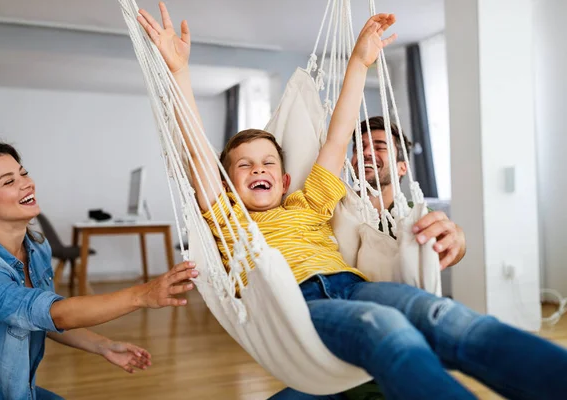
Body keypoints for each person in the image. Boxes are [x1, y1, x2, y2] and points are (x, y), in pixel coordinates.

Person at [138, 3, 567, 399]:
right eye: (244, 166)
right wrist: (178, 74)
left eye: (268, 163)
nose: (258, 170)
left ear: (285, 180)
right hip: (295, 308)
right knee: (384, 331)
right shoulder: (228, 220)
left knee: (443, 316)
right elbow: (195, 152)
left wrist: (359, 63)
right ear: (227, 183)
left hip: (356, 284)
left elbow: (339, 137)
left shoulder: (307, 204)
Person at [0, 138, 198, 400]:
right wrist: (142, 295)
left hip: (22, 392)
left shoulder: (35, 248)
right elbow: (58, 315)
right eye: (9, 182)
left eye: (23, 173)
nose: (27, 183)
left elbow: (46, 320)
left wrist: (104, 346)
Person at [350, 117, 466, 269]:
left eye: (379, 147)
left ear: (402, 168)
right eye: (358, 147)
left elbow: (447, 239)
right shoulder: (339, 209)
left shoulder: (411, 214)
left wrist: (458, 238)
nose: (365, 152)